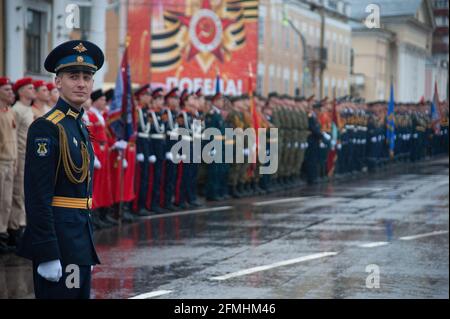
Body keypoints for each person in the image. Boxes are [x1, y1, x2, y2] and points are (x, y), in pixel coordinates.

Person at [17, 40, 105, 299]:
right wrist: (47, 252)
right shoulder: (47, 127)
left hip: (79, 238)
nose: (81, 83)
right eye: (73, 76)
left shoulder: (77, 125)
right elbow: (37, 195)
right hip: (60, 241)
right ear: (57, 82)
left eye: (87, 77)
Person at [11, 77, 36, 247]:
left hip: (30, 156)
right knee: (18, 194)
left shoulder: (28, 109)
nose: (33, 90)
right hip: (20, 155)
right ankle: (17, 229)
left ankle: (24, 226)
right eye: (29, 88)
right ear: (20, 91)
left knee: (27, 193)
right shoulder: (18, 109)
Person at [0, 77, 18, 253]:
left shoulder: (10, 111)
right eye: (6, 90)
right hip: (0, 161)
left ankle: (4, 233)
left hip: (10, 161)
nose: (11, 93)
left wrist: (15, 162)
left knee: (6, 202)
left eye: (11, 90)